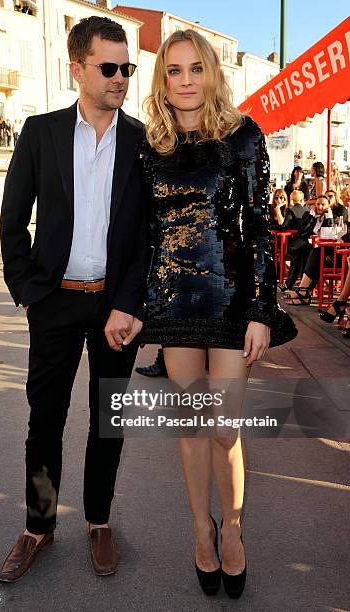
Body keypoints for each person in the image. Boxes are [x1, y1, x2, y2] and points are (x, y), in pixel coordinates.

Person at [137, 29, 297, 599]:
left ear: (212, 73)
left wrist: (261, 308)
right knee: (191, 427)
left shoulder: (242, 135)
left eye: (194, 69)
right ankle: (199, 530)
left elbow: (258, 227)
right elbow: (143, 234)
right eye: (174, 71)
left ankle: (232, 528)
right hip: (175, 304)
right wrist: (134, 306)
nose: (185, 81)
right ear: (162, 79)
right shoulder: (148, 144)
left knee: (225, 428)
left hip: (231, 302)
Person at [0, 16, 147, 583]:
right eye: (108, 67)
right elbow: (13, 220)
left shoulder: (140, 141)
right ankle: (38, 526)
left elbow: (146, 237)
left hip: (115, 308)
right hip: (55, 302)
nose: (120, 78)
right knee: (45, 419)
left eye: (126, 68)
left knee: (108, 419)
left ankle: (99, 521)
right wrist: (29, 291)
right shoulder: (39, 133)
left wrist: (129, 304)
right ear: (76, 69)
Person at [284, 195, 343, 305]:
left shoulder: (332, 217)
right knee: (307, 252)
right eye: (318, 204)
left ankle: (302, 290)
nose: (320, 207)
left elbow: (330, 234)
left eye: (323, 204)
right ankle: (303, 291)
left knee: (312, 253)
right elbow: (301, 230)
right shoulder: (308, 215)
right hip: (309, 246)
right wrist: (311, 216)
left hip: (326, 250)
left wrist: (329, 217)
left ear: (328, 206)